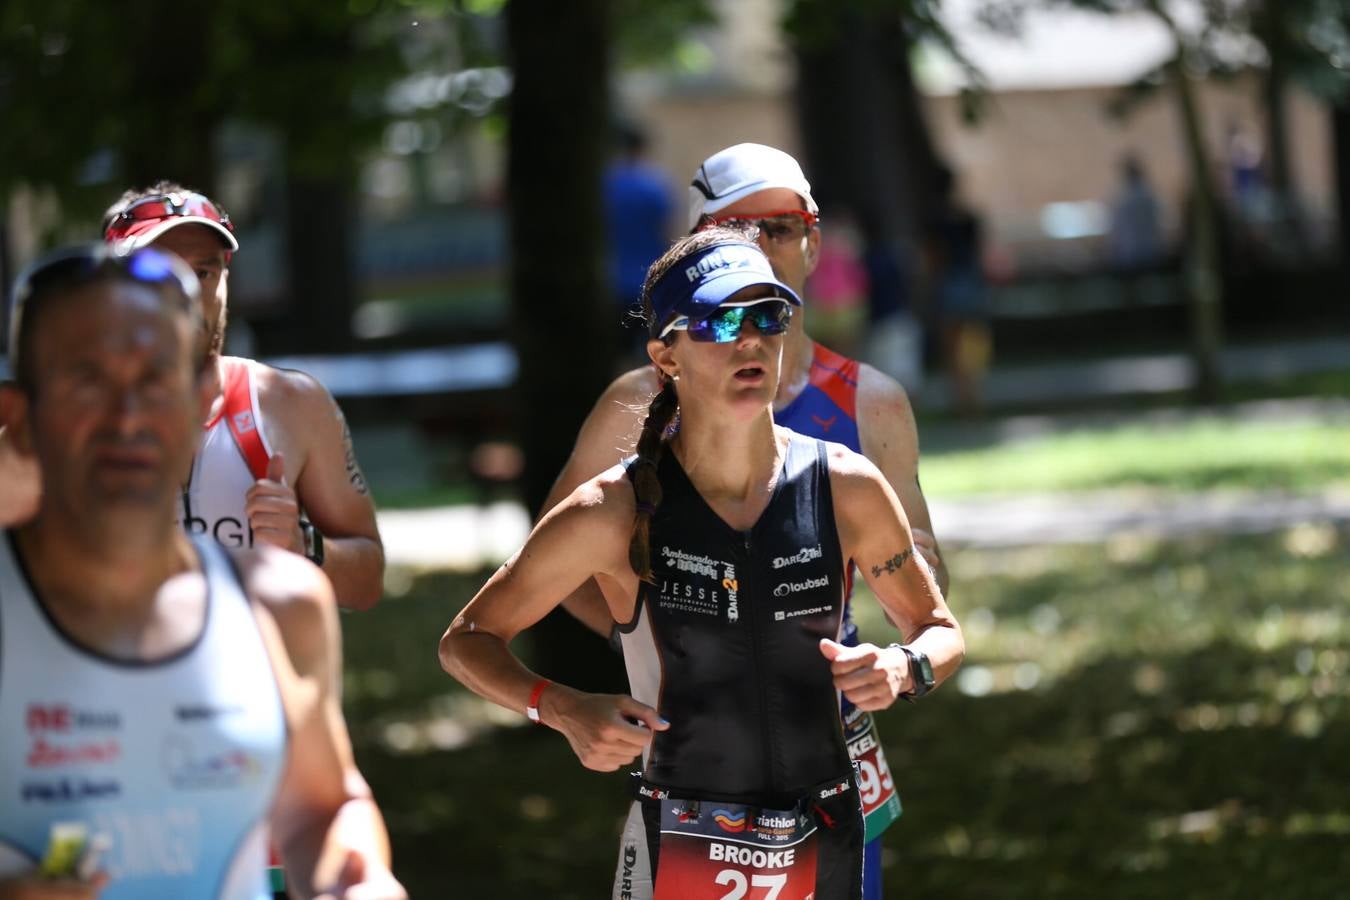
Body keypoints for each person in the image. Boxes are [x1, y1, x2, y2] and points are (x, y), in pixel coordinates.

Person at [441, 230, 963, 900]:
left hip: (827, 826)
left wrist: (905, 666)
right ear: (666, 355)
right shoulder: (614, 508)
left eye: (767, 317)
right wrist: (563, 708)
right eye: (718, 321)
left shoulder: (846, 486)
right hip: (685, 843)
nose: (750, 341)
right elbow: (467, 641)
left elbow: (940, 629)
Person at [0, 243, 405, 899]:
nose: (126, 417)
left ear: (204, 396)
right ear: (20, 418)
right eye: (86, 381)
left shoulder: (277, 604)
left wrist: (355, 879)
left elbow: (323, 808)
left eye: (156, 377)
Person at [0, 183, 385, 610]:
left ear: (226, 277)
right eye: (162, 271)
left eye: (203, 272)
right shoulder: (61, 421)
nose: (187, 295)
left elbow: (368, 581)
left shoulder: (293, 403)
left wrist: (306, 546)